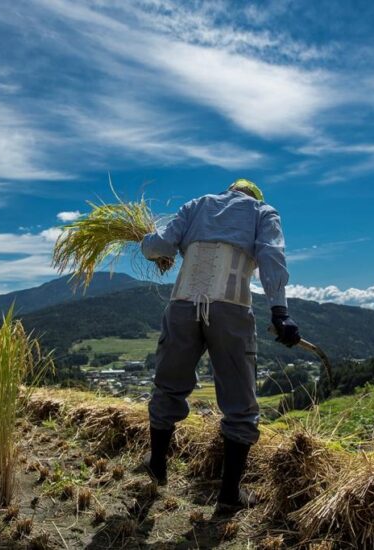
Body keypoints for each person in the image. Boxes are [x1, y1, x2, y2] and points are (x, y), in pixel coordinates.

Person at [140, 178, 301, 512]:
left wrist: (145, 243)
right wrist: (280, 312)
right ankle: (228, 496)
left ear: (229, 191)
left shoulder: (196, 205)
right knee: (240, 402)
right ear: (254, 196)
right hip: (231, 309)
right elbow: (271, 256)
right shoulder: (262, 211)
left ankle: (157, 467)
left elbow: (160, 246)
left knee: (167, 386)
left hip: (183, 304)